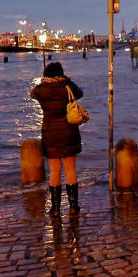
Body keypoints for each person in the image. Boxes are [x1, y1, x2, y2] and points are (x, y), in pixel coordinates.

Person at [29, 62, 84, 216]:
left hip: (50, 133)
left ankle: (55, 208)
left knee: (54, 170)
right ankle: (73, 206)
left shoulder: (41, 89)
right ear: (61, 73)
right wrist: (67, 80)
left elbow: (33, 94)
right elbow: (79, 93)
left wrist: (43, 81)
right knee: (70, 169)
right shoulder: (67, 87)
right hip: (69, 132)